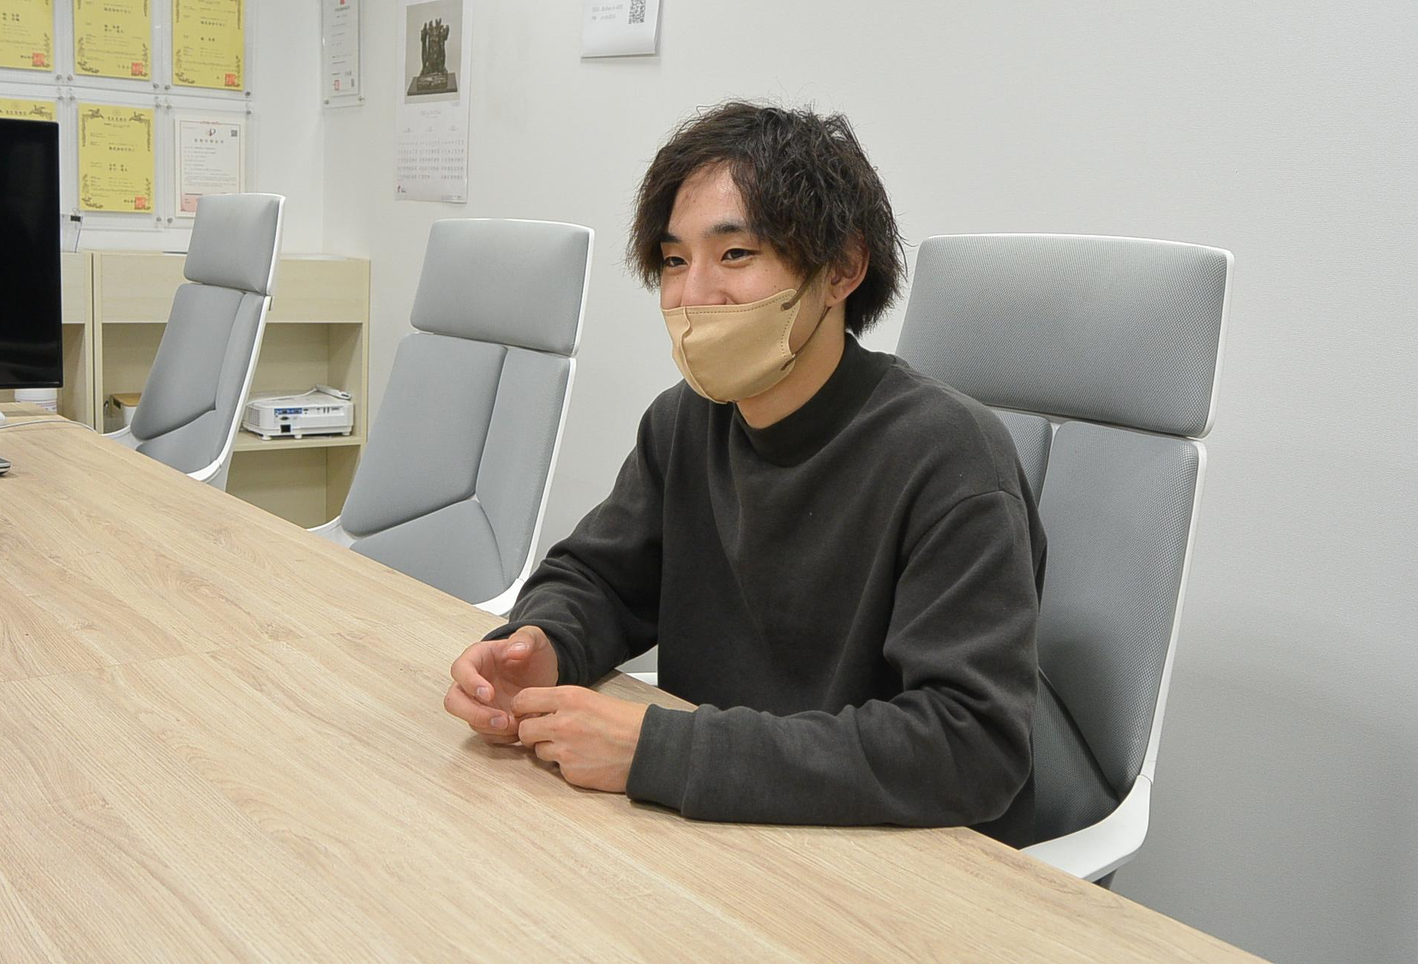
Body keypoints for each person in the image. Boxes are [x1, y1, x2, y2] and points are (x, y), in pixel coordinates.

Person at [443, 101, 1046, 846]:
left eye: (734, 254)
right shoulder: (685, 421)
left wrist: (658, 750)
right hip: (715, 834)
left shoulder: (950, 454)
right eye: (674, 261)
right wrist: (544, 643)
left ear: (842, 269)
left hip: (884, 855)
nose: (694, 295)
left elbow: (971, 745)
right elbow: (599, 579)